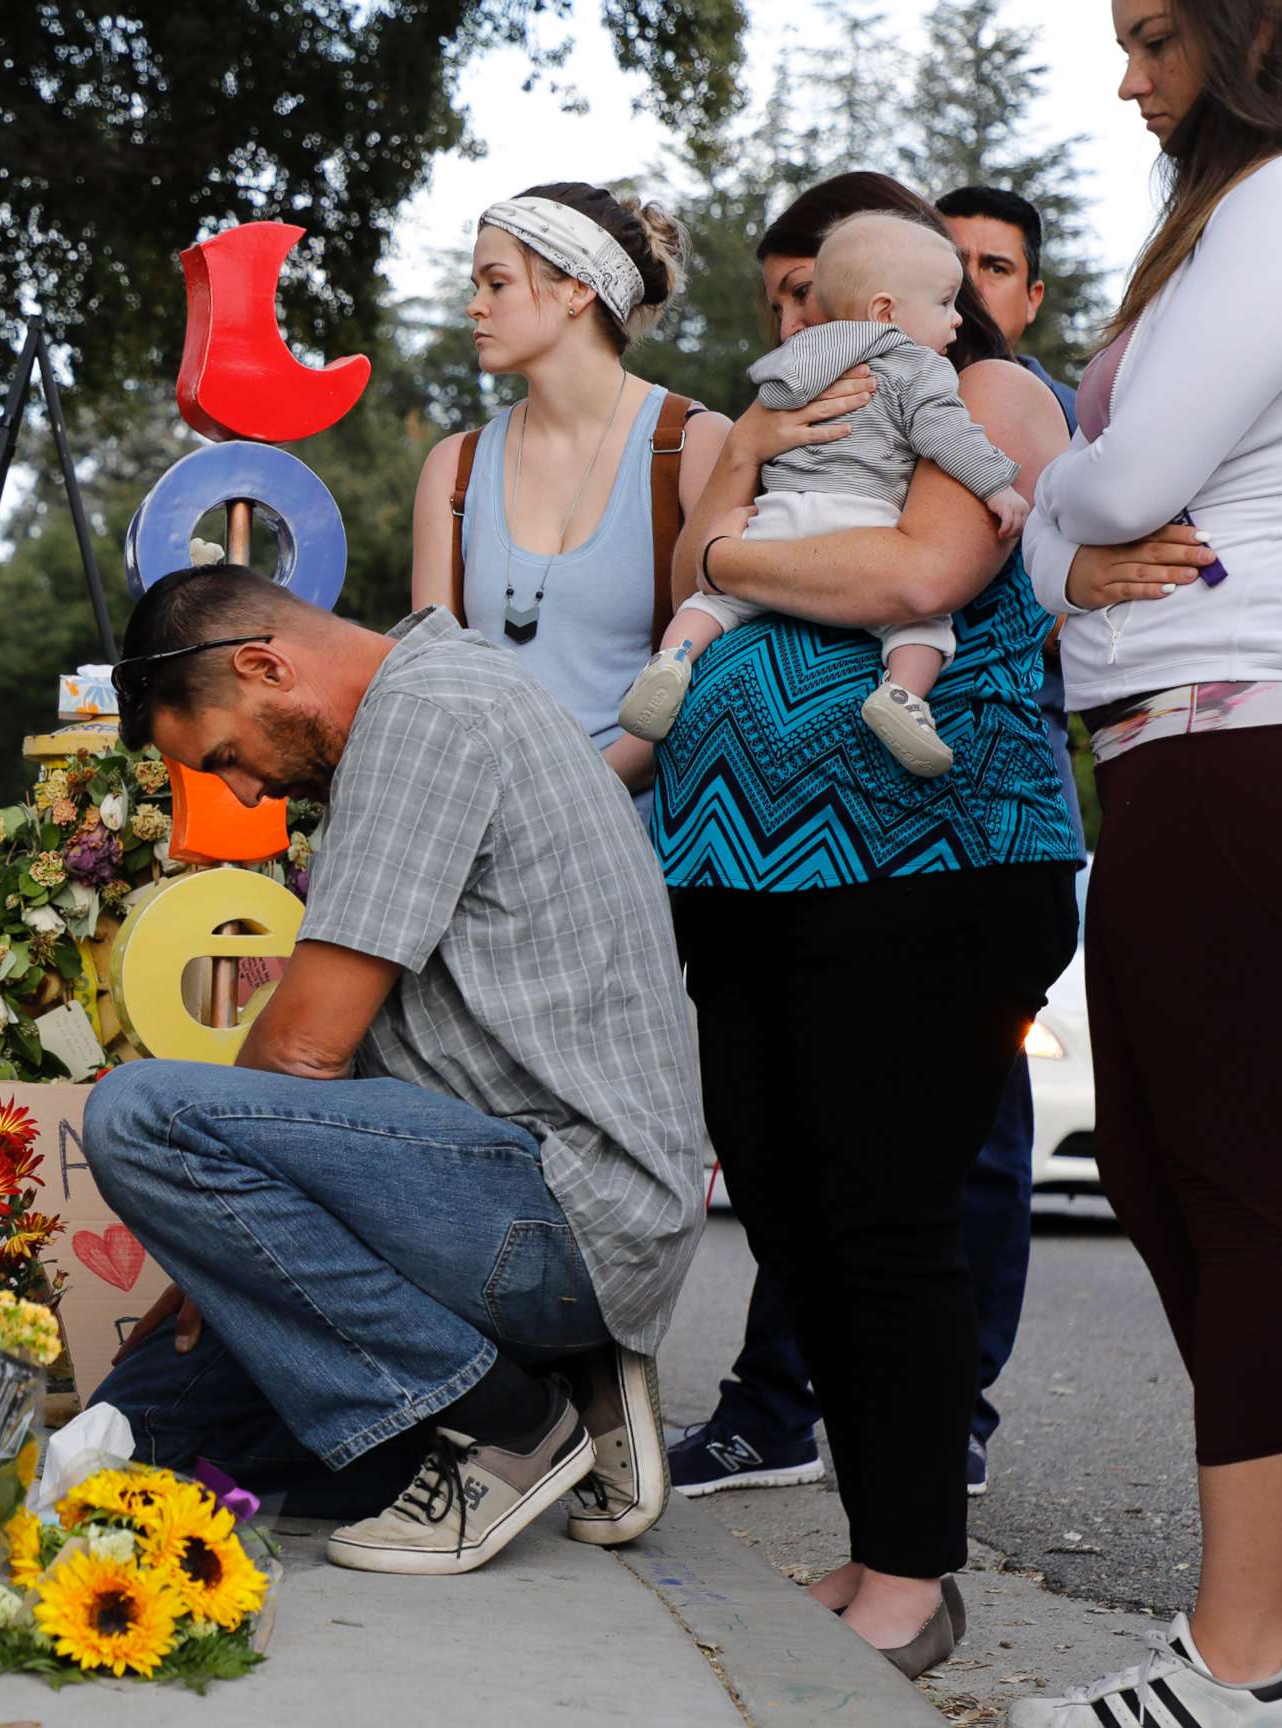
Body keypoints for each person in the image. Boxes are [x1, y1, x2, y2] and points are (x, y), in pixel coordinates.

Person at [654, 170, 1080, 1677]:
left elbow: (916, 569)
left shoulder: (989, 396)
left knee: (885, 1206)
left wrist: (727, 555)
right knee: (782, 1197)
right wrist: (741, 479)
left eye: (845, 294)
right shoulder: (779, 417)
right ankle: (870, 1540)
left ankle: (915, 1570)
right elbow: (675, 575)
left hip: (932, 863)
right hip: (740, 868)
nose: (824, 318)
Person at [81, 561, 706, 1574]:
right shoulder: (437, 693)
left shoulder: (428, 719)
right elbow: (315, 1060)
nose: (248, 793)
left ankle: (511, 1421)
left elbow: (301, 1050)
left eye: (228, 756)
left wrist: (200, 1207)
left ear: (263, 665)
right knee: (137, 1442)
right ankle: (563, 1380)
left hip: (565, 1211)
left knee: (142, 1117)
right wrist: (215, 1257)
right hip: (504, 1189)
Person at [1008, 1, 1282, 1723]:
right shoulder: (1261, 208)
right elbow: (1079, 527)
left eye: (1153, 33)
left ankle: (1238, 1669)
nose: (1126, 74)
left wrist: (1048, 508)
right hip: (1193, 738)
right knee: (1163, 1175)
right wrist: (1063, 541)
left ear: (1254, 26)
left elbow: (1126, 476)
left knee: (1232, 1192)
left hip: (1257, 727)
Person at [618, 214, 1029, 778]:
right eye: (944, 302)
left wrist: (721, 559)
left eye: (802, 295)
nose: (956, 316)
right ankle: (903, 694)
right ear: (885, 310)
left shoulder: (796, 366)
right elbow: (945, 433)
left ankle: (672, 658)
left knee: (710, 605)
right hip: (860, 517)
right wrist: (997, 486)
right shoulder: (915, 364)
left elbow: (919, 578)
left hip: (777, 516)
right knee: (922, 631)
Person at [409, 183, 729, 808]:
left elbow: (713, 675)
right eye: (476, 287)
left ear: (577, 289)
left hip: (641, 850)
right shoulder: (454, 467)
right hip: (486, 835)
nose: (475, 306)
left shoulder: (693, 445)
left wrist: (569, 799)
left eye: (496, 284)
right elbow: (432, 677)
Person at [938, 185, 1081, 431]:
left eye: (996, 268)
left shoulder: (1083, 425)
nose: (969, 284)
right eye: (953, 261)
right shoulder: (867, 393)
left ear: (1032, 300)